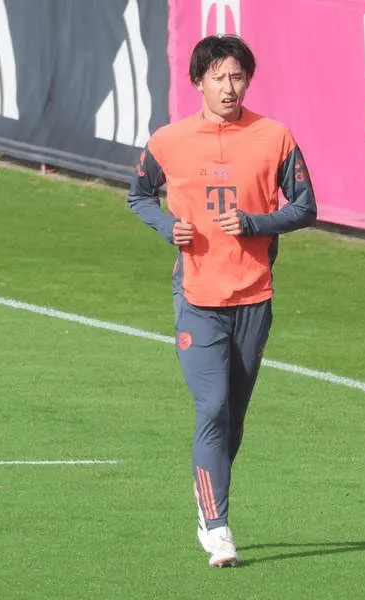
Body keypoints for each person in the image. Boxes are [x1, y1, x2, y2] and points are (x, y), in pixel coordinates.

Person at [127, 34, 317, 567]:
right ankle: (217, 527)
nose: (229, 87)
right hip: (197, 296)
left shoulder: (274, 137)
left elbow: (306, 208)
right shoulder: (168, 141)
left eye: (237, 76)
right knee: (211, 406)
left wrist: (256, 224)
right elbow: (139, 195)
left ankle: (207, 486)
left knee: (232, 416)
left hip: (254, 295)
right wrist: (167, 226)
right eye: (219, 78)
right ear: (198, 82)